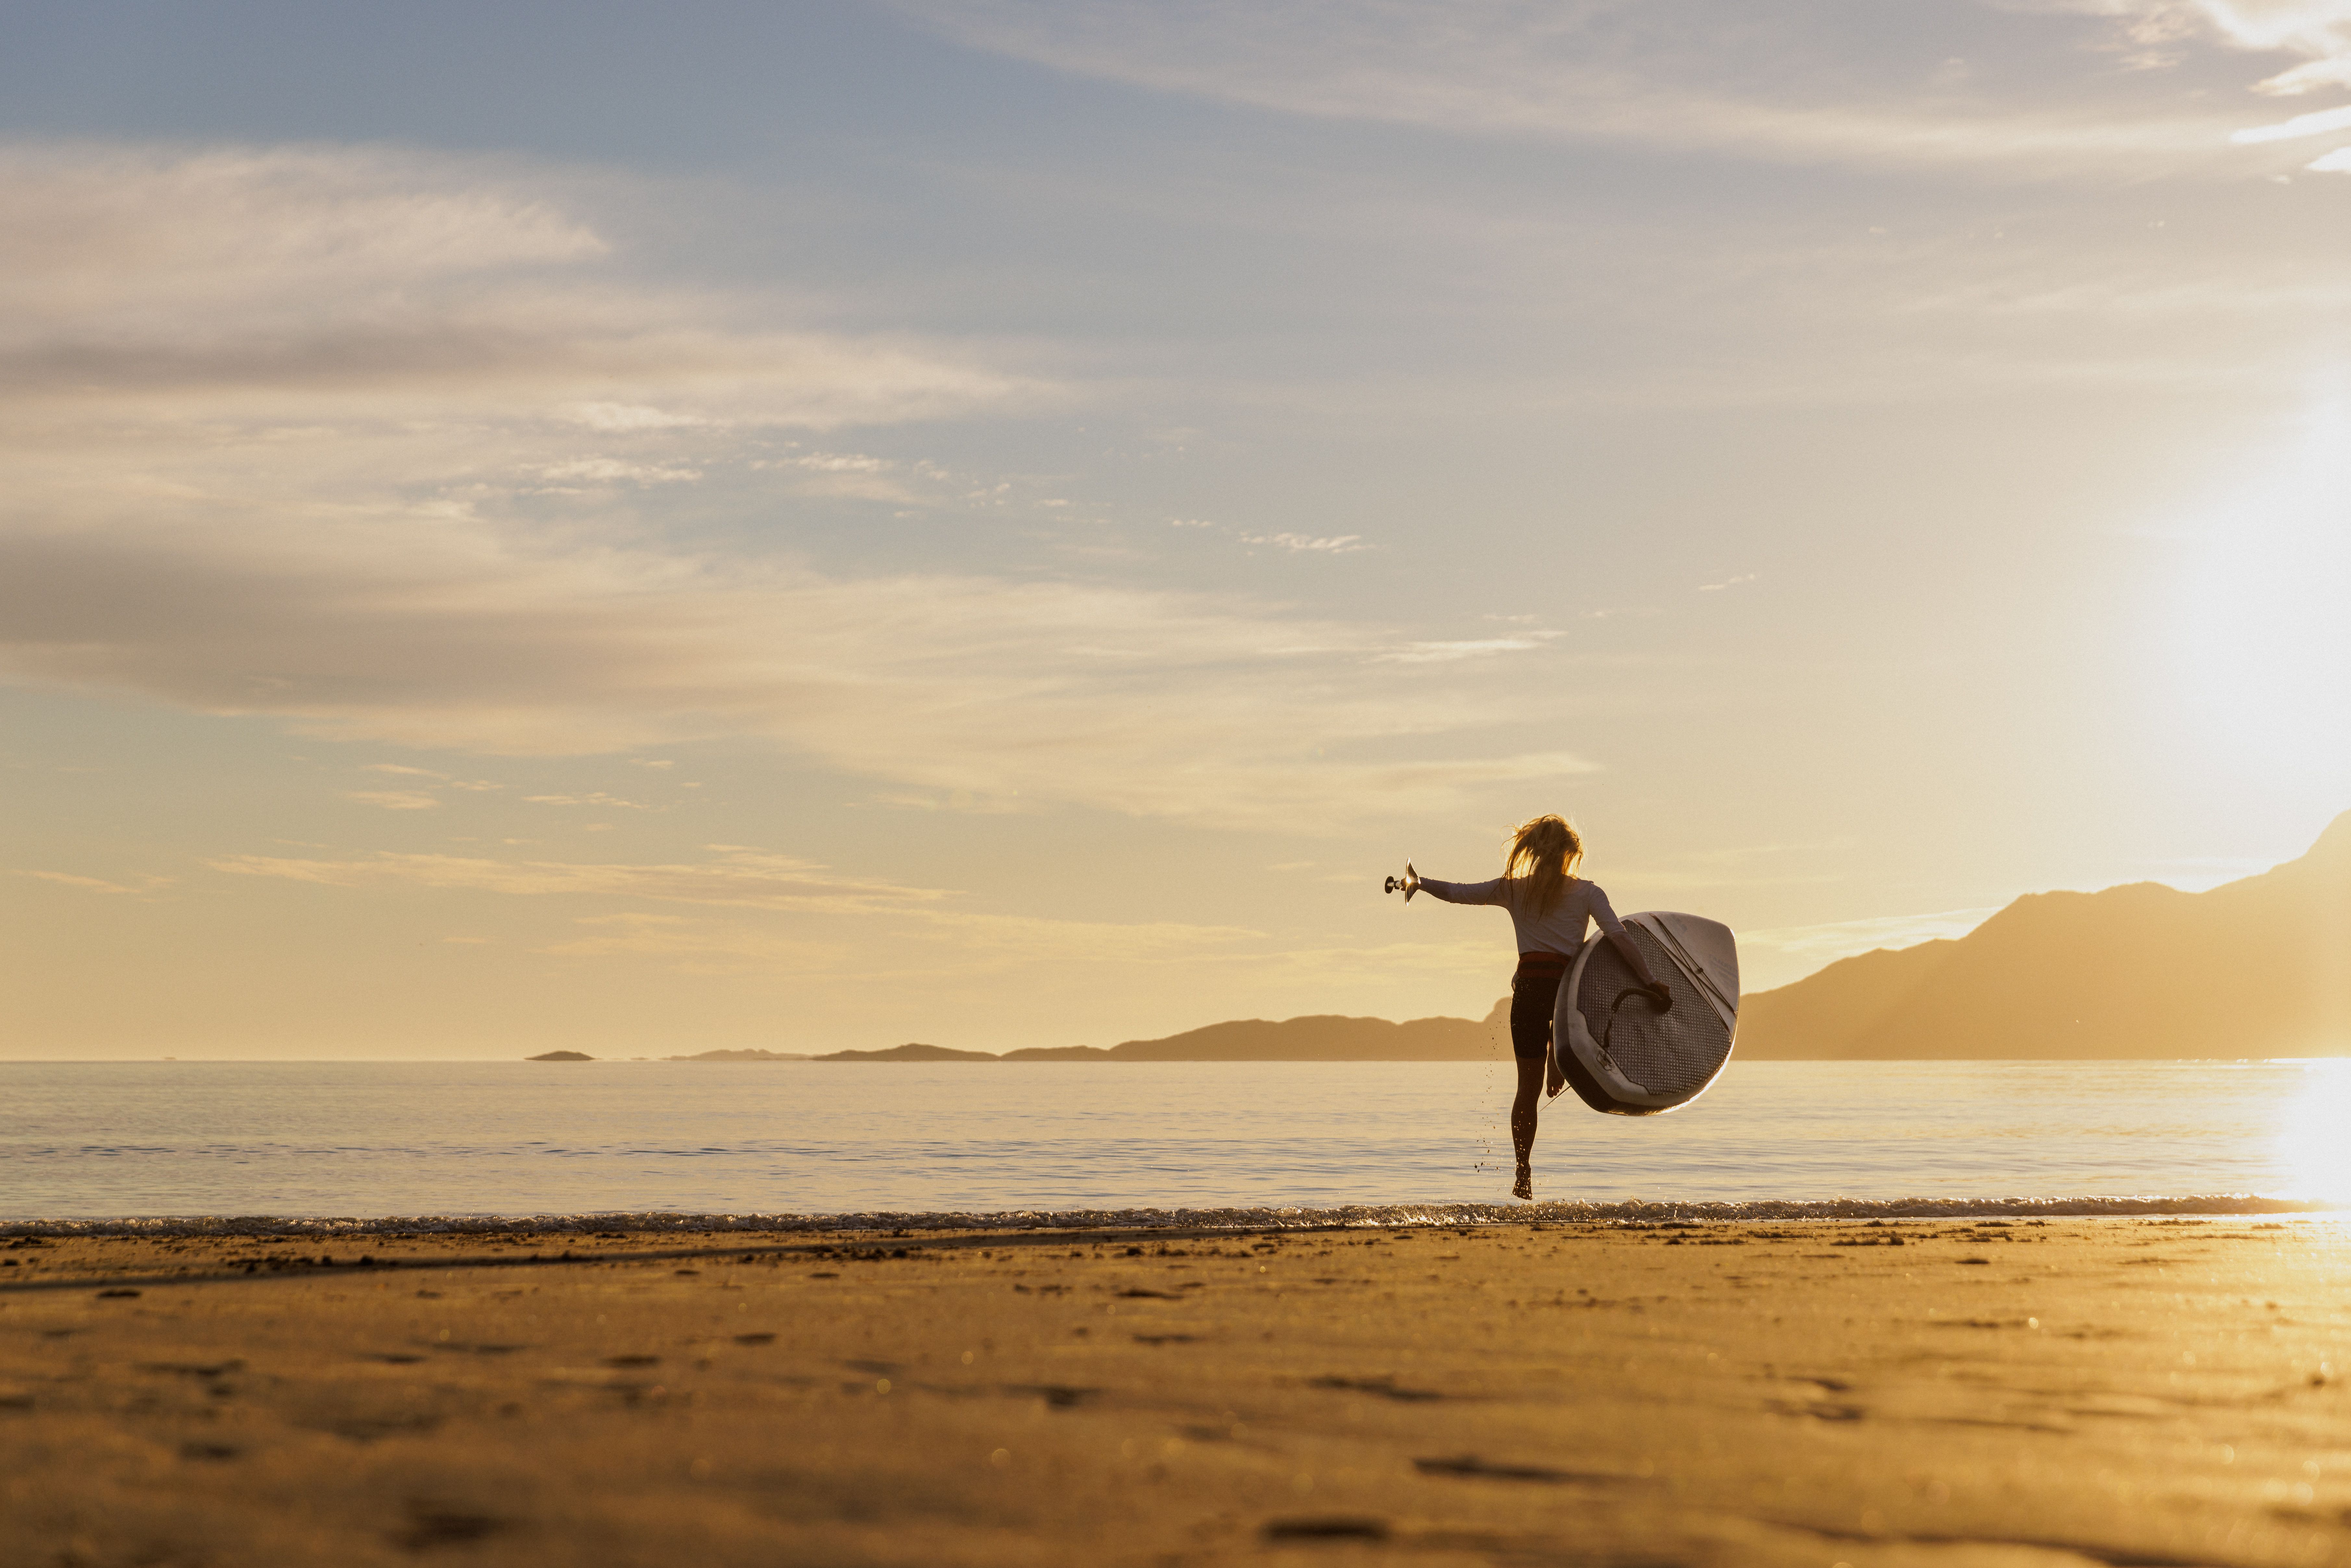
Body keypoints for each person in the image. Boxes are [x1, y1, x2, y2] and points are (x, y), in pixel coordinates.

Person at [1415, 814, 1670, 1202]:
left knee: (1526, 1090)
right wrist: (1649, 981)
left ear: (1535, 850)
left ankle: (1522, 1170)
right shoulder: (1587, 893)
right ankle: (1558, 1062)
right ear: (1570, 854)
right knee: (1550, 1066)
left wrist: (1418, 883)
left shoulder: (1516, 890)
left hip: (1530, 992)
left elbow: (1457, 892)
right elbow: (1619, 939)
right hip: (1567, 995)